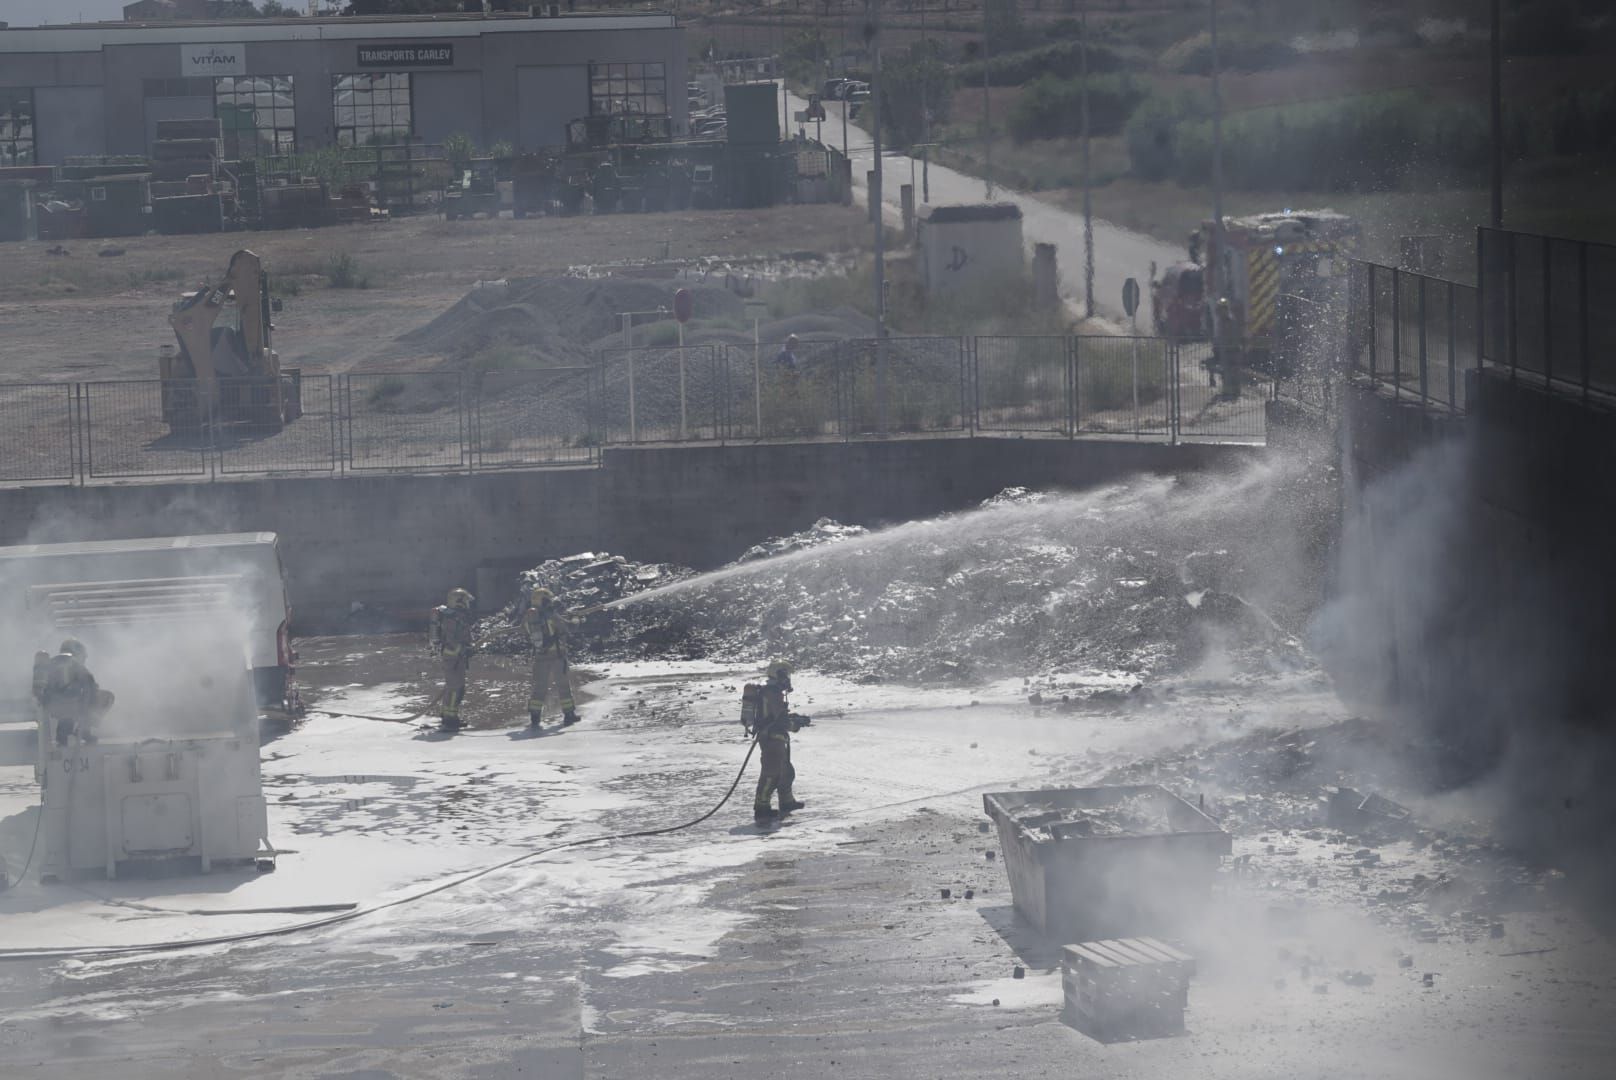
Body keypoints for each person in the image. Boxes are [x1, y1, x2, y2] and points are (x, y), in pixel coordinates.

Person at [751, 660, 809, 822]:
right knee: (771, 773)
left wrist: (795, 718)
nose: (788, 679)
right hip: (771, 738)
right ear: (780, 674)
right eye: (787, 675)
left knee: (786, 771)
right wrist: (796, 724)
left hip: (775, 737)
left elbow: (777, 716)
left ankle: (787, 802)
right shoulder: (772, 691)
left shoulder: (772, 690)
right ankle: (762, 808)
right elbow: (780, 720)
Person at [32, 638, 114, 746]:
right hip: (72, 705)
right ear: (77, 651)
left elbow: (40, 690)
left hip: (51, 706)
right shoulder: (73, 662)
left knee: (69, 705)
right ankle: (84, 729)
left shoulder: (50, 662)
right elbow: (90, 684)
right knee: (107, 697)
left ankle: (63, 731)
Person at [523, 587, 579, 728]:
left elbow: (524, 632)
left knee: (539, 687)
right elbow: (569, 628)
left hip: (540, 656)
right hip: (557, 656)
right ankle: (569, 715)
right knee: (563, 686)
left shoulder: (528, 616)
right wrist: (576, 619)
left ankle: (535, 717)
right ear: (544, 599)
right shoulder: (551, 615)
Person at [430, 587, 476, 730]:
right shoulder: (451, 618)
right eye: (465, 600)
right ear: (459, 601)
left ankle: (446, 715)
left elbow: (463, 636)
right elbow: (451, 640)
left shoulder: (457, 616)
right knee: (456, 688)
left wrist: (470, 646)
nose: (468, 603)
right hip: (453, 657)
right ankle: (450, 719)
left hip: (457, 656)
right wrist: (464, 649)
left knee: (454, 688)